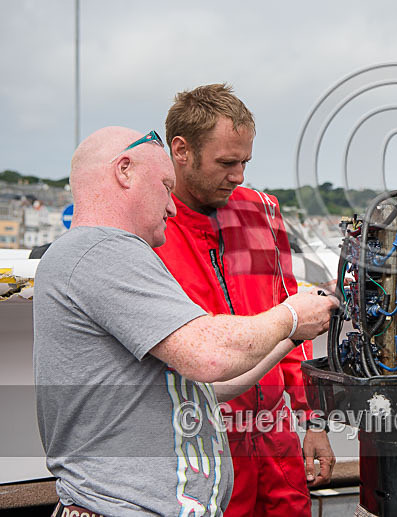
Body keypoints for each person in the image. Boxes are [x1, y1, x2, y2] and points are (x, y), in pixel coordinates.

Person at [33, 126, 338, 517]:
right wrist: (291, 314)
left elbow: (212, 383)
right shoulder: (100, 250)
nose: (172, 207)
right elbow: (208, 356)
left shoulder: (109, 255)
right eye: (164, 186)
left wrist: (293, 334)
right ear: (124, 171)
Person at [153, 83, 335, 517]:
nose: (238, 176)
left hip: (275, 439)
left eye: (245, 162)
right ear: (181, 150)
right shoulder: (151, 226)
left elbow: (292, 317)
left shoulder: (261, 211)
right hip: (201, 445)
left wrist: (313, 421)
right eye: (226, 163)